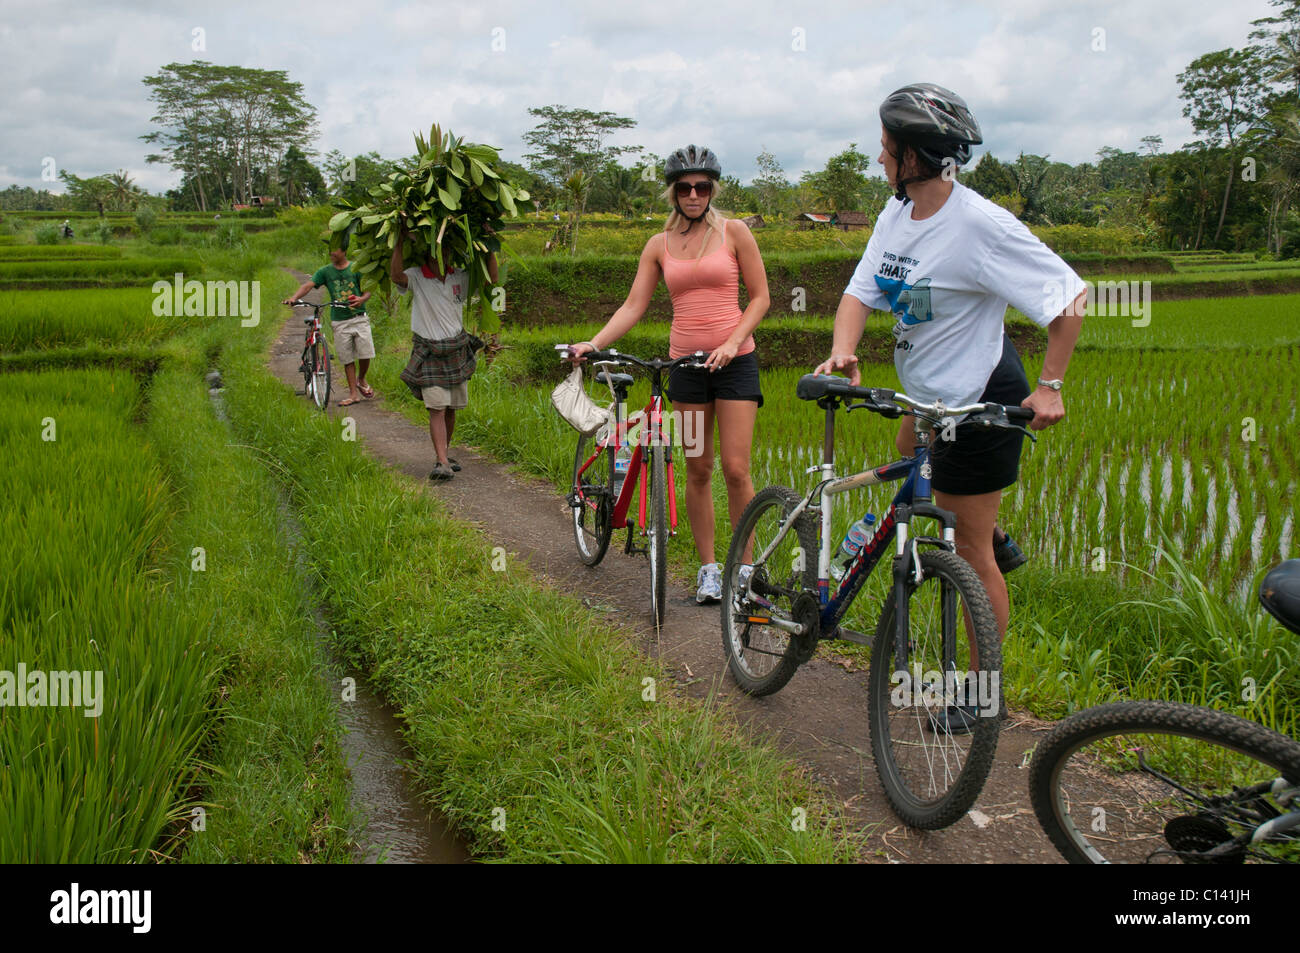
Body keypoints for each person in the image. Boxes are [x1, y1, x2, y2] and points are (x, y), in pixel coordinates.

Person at [815, 83, 1086, 728]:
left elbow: (1069, 296)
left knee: (968, 551)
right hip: (927, 394)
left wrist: (1050, 386)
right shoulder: (896, 214)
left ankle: (982, 692)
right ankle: (989, 527)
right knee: (909, 457)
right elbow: (859, 293)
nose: (879, 157)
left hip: (979, 397)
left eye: (887, 147)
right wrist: (844, 349)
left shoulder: (979, 226)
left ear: (914, 156)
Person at [570, 146, 770, 604]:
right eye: (685, 188)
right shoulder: (658, 245)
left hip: (735, 365)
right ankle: (709, 570)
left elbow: (760, 298)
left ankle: (745, 570)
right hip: (687, 370)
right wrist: (593, 344)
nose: (694, 195)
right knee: (698, 469)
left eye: (702, 186)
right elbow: (633, 306)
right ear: (673, 193)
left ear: (712, 189)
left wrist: (731, 343)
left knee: (736, 469)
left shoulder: (735, 232)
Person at [390, 220, 496, 481]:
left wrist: (490, 245)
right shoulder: (416, 276)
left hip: (456, 349)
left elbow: (491, 279)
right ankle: (442, 461)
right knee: (436, 407)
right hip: (429, 350)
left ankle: (445, 454)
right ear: (429, 252)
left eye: (447, 249)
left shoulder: (459, 276)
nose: (444, 253)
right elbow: (396, 276)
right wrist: (400, 241)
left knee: (450, 408)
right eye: (439, 249)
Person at [284, 242, 375, 406]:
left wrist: (362, 299)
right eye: (330, 250)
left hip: (359, 317)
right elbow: (308, 286)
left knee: (365, 353)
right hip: (340, 321)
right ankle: (353, 394)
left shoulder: (356, 268)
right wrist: (294, 298)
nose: (331, 253)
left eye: (335, 249)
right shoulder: (325, 271)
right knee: (347, 358)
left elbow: (368, 289)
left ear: (344, 250)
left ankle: (361, 379)